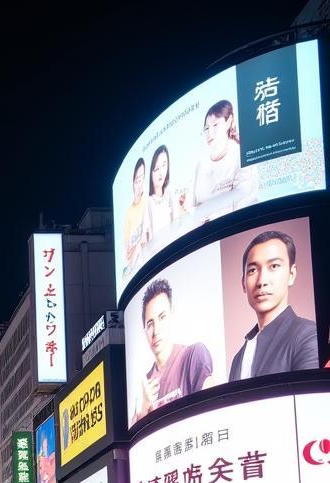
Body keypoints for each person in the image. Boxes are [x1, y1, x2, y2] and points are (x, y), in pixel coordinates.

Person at [228, 230, 319, 381]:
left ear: (291, 274)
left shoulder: (308, 335)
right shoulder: (238, 358)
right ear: (243, 283)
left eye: (274, 266)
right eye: (252, 270)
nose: (262, 280)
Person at [132, 279, 215, 425]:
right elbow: (131, 444)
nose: (156, 331)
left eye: (162, 317)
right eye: (150, 324)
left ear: (172, 315)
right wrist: (142, 411)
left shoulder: (193, 355)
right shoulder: (146, 384)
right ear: (144, 330)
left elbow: (213, 411)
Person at [190, 99, 257, 215]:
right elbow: (194, 208)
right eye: (206, 128)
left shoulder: (241, 155)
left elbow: (244, 204)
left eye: (215, 125)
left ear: (228, 121)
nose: (210, 133)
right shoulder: (201, 165)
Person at [142, 144, 179, 245]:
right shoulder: (147, 203)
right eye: (156, 168)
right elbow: (144, 239)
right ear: (151, 172)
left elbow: (177, 225)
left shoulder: (170, 195)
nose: (161, 172)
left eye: (164, 165)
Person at [122, 157, 147, 281]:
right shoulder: (128, 213)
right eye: (137, 181)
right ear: (132, 183)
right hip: (136, 271)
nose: (140, 185)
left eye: (142, 179)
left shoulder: (148, 201)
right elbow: (127, 253)